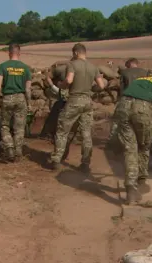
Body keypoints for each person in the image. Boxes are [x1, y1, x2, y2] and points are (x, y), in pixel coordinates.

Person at [114, 72, 152, 205]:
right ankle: (141, 181)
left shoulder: (139, 80)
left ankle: (131, 189)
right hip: (142, 109)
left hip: (122, 106)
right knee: (144, 146)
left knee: (129, 148)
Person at [49, 43, 106, 172]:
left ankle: (56, 160)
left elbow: (69, 80)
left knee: (62, 130)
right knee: (86, 134)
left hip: (74, 100)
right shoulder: (93, 67)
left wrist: (61, 85)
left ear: (75, 53)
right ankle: (85, 163)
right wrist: (92, 89)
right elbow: (101, 86)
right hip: (87, 102)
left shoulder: (72, 64)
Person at [0, 44, 32, 162]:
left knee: (4, 126)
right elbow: (28, 89)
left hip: (7, 98)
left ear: (9, 53)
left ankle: (9, 146)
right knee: (19, 127)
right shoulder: (25, 68)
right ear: (19, 53)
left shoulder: (3, 66)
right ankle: (18, 150)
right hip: (21, 99)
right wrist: (29, 103)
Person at [109, 58, 150, 140]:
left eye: (127, 65)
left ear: (130, 64)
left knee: (117, 119)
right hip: (142, 102)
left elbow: (122, 89)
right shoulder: (145, 72)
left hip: (128, 100)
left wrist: (118, 101)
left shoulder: (125, 72)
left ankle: (113, 138)